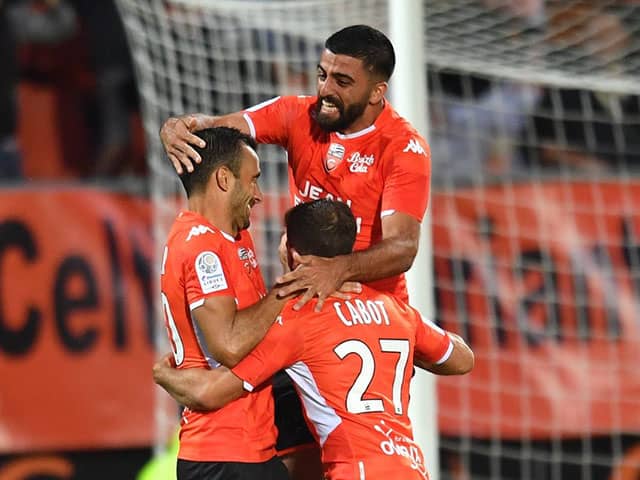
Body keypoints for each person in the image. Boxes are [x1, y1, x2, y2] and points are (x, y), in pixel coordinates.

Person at [160, 24, 432, 477]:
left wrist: (335, 271)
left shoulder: (403, 148)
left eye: (342, 82)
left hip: (362, 318)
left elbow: (403, 247)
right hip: (305, 306)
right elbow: (213, 132)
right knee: (278, 439)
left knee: (329, 447)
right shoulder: (296, 115)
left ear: (376, 91)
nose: (324, 90)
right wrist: (176, 128)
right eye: (321, 74)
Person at [154, 198, 475, 480]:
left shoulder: (297, 322)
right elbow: (463, 359)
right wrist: (400, 347)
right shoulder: (397, 312)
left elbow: (212, 393)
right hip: (413, 469)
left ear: (294, 253)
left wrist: (163, 373)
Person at [161, 126, 291, 480]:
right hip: (223, 454)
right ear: (223, 178)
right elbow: (230, 345)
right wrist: (288, 288)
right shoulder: (201, 246)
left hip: (255, 447)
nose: (259, 194)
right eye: (253, 180)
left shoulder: (233, 235)